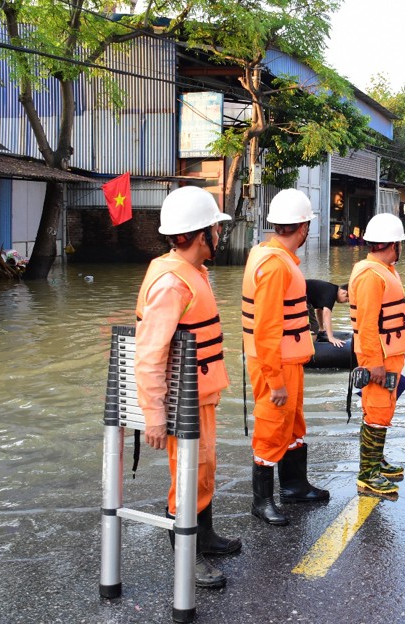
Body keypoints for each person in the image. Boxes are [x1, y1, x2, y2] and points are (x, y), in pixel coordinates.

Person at [134, 186, 240, 589]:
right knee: (189, 475)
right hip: (182, 402)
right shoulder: (171, 283)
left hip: (201, 395)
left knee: (205, 468)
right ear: (201, 235)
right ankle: (187, 556)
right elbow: (149, 354)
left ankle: (206, 537)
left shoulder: (193, 272)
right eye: (215, 226)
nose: (219, 232)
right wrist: (155, 416)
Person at [241, 188, 328, 527]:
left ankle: (294, 486)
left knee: (292, 425)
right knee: (271, 426)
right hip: (274, 364)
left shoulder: (269, 254)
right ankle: (261, 502)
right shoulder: (276, 266)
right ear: (304, 227)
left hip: (286, 360)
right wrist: (274, 379)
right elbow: (265, 329)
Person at [349, 213, 405, 499]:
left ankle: (376, 461)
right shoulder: (370, 275)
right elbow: (366, 324)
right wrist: (373, 363)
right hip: (379, 357)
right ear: (393, 244)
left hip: (391, 353)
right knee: (377, 411)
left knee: (384, 409)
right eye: (400, 243)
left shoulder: (384, 269)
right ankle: (367, 475)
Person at [305, 279, 349, 347]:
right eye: (346, 300)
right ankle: (311, 352)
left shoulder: (330, 289)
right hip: (301, 298)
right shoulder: (332, 293)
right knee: (313, 327)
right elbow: (326, 313)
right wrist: (331, 338)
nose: (345, 302)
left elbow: (319, 310)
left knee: (314, 326)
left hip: (301, 296)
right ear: (344, 293)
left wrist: (321, 328)